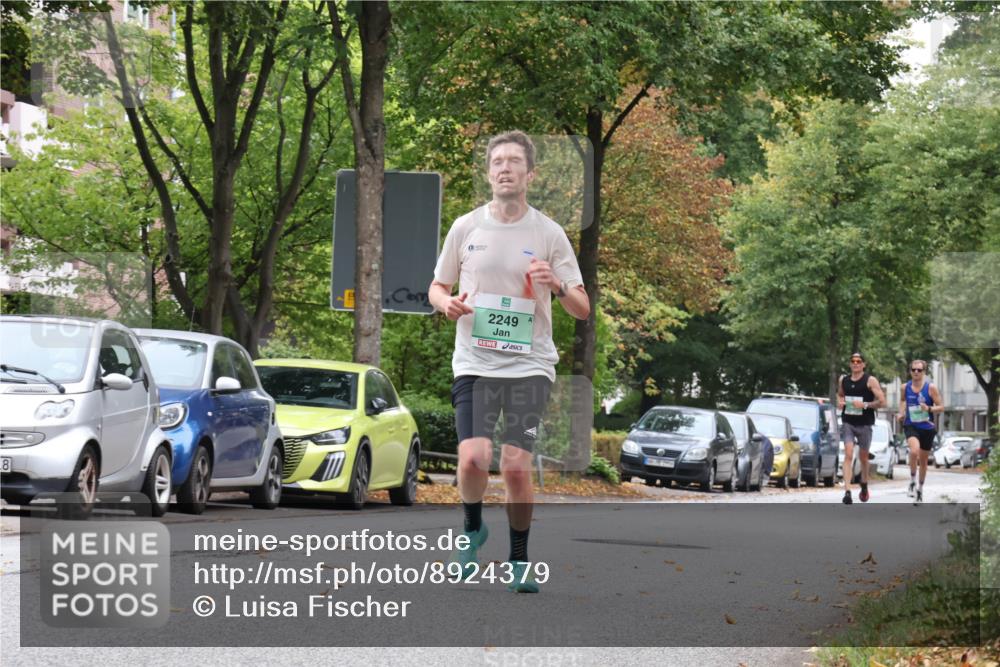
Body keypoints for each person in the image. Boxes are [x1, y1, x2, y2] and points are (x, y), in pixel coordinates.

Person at [428, 131, 590, 593]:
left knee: (516, 466)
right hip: (475, 363)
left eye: (514, 161)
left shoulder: (548, 233)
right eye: (497, 161)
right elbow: (436, 286)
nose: (504, 167)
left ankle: (519, 558)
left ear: (529, 174)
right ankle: (472, 529)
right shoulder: (466, 227)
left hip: (529, 366)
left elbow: (582, 307)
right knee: (474, 457)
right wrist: (446, 305)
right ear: (488, 173)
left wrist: (557, 285)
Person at [837, 352, 886, 504]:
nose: (856, 363)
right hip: (848, 422)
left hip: (865, 423)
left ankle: (864, 484)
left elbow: (882, 401)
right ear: (850, 364)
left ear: (864, 364)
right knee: (848, 454)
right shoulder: (843, 380)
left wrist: (864, 405)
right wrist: (841, 402)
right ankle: (847, 491)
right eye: (853, 361)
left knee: (863, 457)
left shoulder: (870, 380)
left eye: (859, 361)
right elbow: (840, 395)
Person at [897, 359, 943, 506]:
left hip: (927, 428)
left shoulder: (931, 388)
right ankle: (911, 481)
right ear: (910, 371)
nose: (916, 372)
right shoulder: (905, 387)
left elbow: (941, 407)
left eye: (919, 370)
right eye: (913, 370)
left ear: (924, 372)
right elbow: (903, 400)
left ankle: (920, 490)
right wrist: (901, 412)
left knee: (923, 462)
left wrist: (929, 409)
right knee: (914, 451)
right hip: (911, 425)